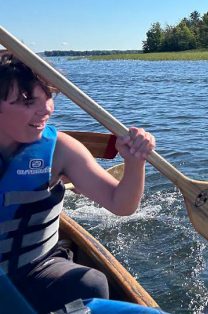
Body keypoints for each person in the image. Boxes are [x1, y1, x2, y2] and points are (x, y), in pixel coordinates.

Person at [0, 53, 156, 313]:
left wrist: (134, 163)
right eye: (27, 101)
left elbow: (121, 205)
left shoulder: (61, 149)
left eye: (48, 96)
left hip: (36, 268)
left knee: (90, 284)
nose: (46, 109)